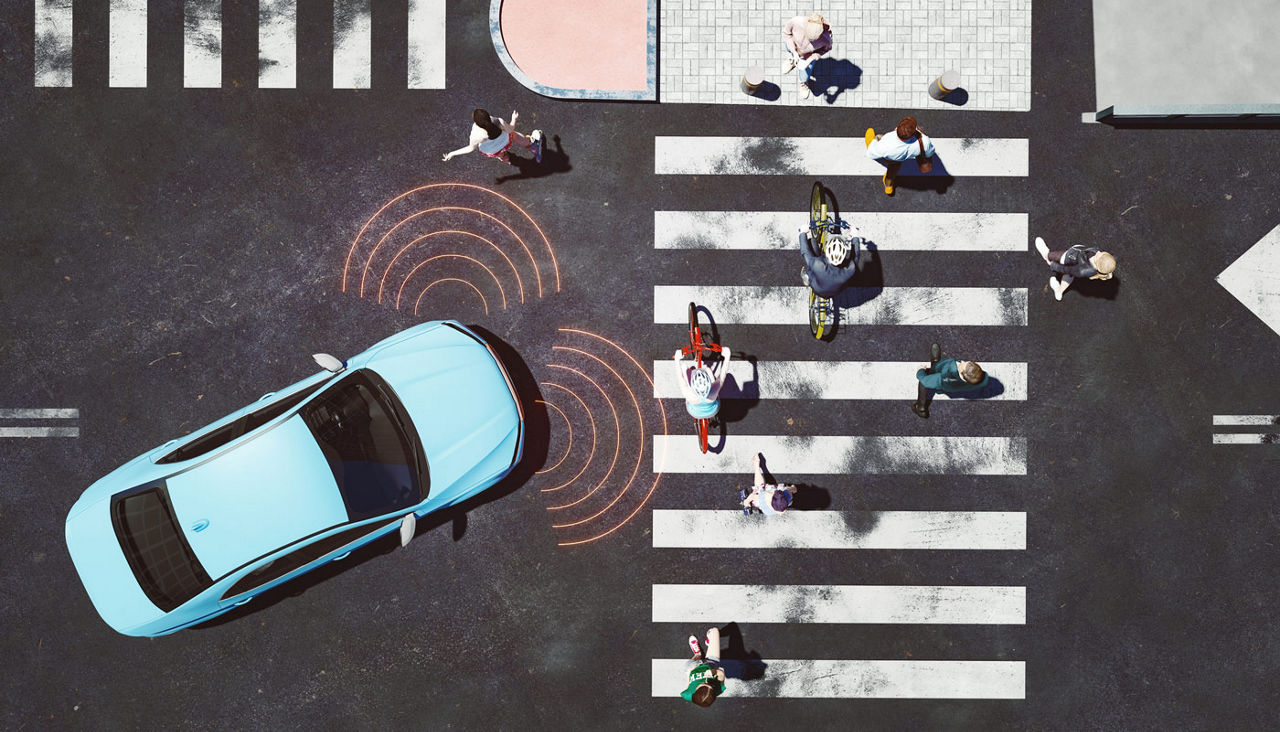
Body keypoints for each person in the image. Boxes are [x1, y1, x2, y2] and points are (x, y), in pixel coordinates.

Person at [442, 108, 543, 166]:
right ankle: (532, 145)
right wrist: (514, 119)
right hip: (506, 142)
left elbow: (470, 148)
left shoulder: (476, 135)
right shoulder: (498, 121)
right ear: (488, 116)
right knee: (513, 134)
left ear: (477, 123)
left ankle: (506, 158)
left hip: (492, 151)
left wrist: (452, 153)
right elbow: (510, 129)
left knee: (499, 153)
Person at [912, 343, 988, 418]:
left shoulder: (947, 375)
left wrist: (920, 370)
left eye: (963, 364)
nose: (962, 361)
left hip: (943, 383)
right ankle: (935, 364)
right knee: (938, 368)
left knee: (925, 381)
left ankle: (920, 408)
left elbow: (925, 381)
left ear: (962, 373)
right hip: (954, 386)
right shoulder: (977, 378)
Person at [864, 117, 936, 196]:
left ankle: (889, 187)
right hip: (905, 155)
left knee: (878, 138)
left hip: (892, 157)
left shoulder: (887, 142)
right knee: (893, 169)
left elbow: (871, 154)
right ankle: (888, 187)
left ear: (897, 128)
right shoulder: (924, 141)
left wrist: (874, 142)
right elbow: (929, 153)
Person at [1035, 237, 1116, 301]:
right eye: (1102, 253)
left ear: (1098, 264)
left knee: (1055, 260)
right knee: (1069, 276)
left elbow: (1067, 269)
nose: (1098, 252)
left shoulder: (1083, 271)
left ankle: (1046, 254)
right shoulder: (1105, 263)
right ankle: (1059, 292)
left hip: (1070, 257)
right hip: (1075, 263)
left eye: (1099, 255)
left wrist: (1054, 266)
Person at [799, 224, 861, 298]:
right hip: (836, 292)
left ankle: (807, 278)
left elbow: (805, 252)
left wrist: (802, 232)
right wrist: (855, 236)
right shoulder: (850, 269)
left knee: (810, 263)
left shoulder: (817, 264)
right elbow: (855, 255)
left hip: (818, 289)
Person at [673, 345, 731, 422]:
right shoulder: (714, 391)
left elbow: (680, 376)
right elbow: (723, 373)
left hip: (694, 413)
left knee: (684, 367)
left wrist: (677, 359)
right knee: (708, 370)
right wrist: (727, 356)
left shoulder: (688, 394)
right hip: (712, 411)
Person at [782, 14, 832, 99]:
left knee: (804, 75)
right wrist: (794, 52)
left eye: (815, 39)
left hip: (807, 57)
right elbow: (787, 34)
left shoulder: (826, 39)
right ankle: (793, 60)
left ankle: (804, 83)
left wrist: (809, 60)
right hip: (793, 47)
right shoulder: (796, 21)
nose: (811, 41)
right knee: (788, 49)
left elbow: (824, 50)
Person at [681, 627, 726, 707]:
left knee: (688, 664)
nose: (706, 681)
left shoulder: (688, 695)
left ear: (695, 692)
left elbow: (689, 685)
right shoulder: (718, 690)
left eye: (703, 684)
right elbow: (721, 674)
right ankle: (710, 642)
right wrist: (714, 672)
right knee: (714, 631)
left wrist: (689, 672)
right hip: (711, 664)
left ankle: (698, 654)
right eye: (710, 685)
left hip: (694, 666)